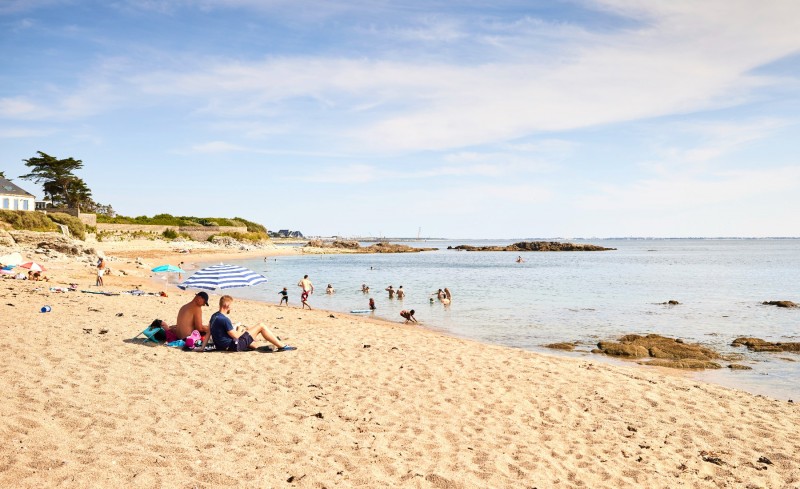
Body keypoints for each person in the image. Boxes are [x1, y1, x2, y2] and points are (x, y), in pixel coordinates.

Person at [209, 295, 296, 352]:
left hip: (223, 346)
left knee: (251, 339)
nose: (232, 307)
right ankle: (282, 346)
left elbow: (210, 331)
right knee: (261, 326)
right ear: (227, 305)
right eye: (231, 305)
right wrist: (239, 329)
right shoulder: (224, 319)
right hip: (233, 346)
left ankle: (269, 344)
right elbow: (236, 336)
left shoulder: (214, 316)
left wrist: (202, 348)